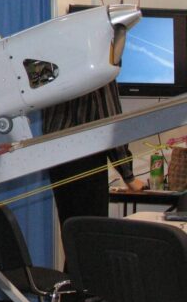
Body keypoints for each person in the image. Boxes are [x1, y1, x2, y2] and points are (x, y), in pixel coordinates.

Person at [42, 80, 145, 227]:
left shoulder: (59, 65)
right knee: (92, 232)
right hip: (86, 159)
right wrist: (128, 176)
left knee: (71, 229)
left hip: (57, 157)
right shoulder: (100, 68)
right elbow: (110, 123)